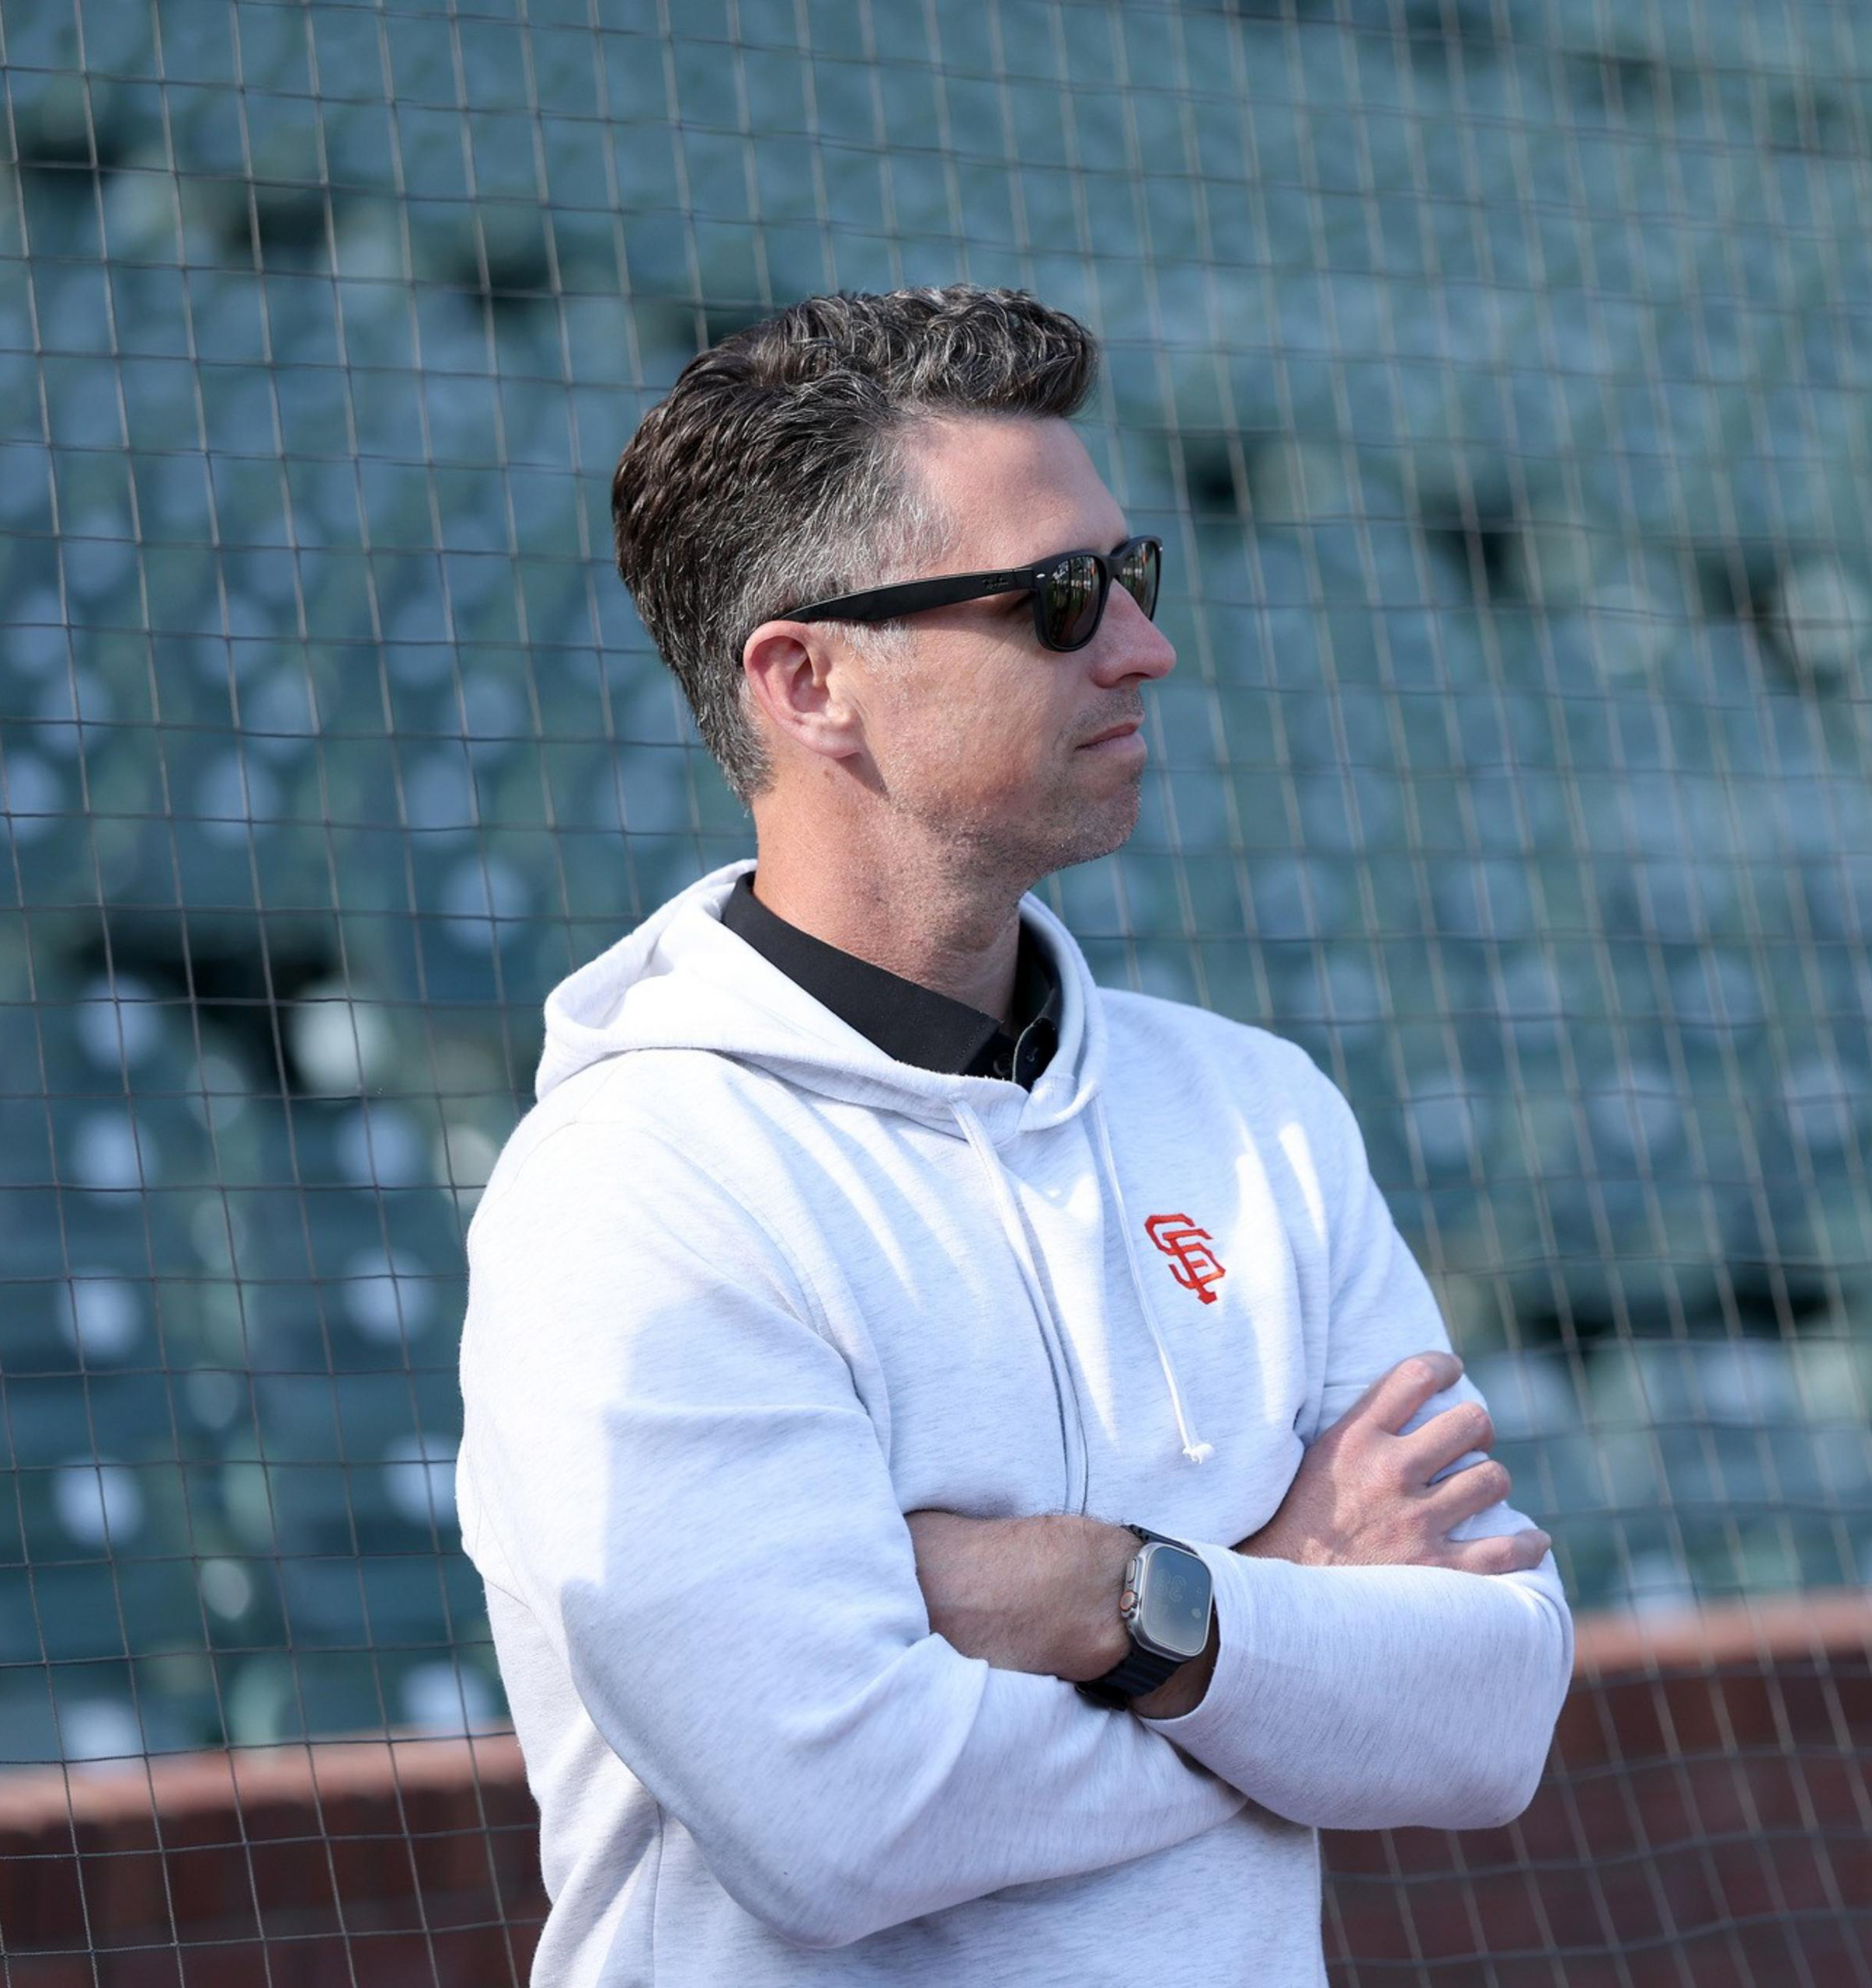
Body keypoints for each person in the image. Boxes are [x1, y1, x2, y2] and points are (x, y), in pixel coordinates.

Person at [454, 285, 1573, 1986]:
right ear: (809, 679)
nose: (1141, 645)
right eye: (1056, 598)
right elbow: (837, 1815)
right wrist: (1251, 1627)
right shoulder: (636, 1182)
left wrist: (1100, 1596)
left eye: (1131, 577)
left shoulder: (1259, 1111)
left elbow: (1486, 1709)